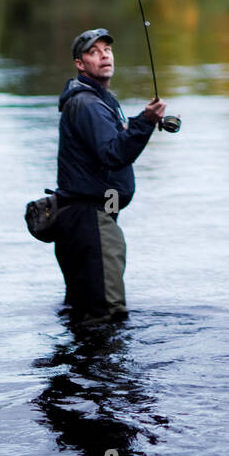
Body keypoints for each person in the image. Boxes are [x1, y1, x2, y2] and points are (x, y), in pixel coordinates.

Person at [54, 27, 166, 324]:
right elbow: (113, 155)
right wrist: (145, 122)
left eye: (108, 50)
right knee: (108, 316)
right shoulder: (88, 104)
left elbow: (108, 145)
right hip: (91, 221)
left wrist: (137, 125)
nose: (104, 55)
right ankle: (106, 371)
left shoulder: (97, 99)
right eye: (94, 51)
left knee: (83, 313)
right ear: (80, 63)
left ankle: (83, 370)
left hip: (85, 221)